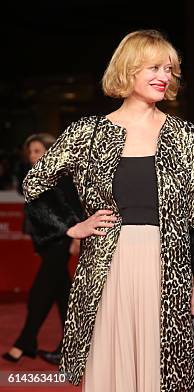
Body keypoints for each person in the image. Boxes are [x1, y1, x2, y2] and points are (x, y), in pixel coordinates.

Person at [22, 30, 194, 391]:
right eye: (154, 67)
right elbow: (35, 184)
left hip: (169, 268)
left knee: (169, 371)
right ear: (128, 70)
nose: (165, 76)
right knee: (113, 367)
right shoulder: (89, 133)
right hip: (107, 267)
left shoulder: (185, 135)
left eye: (170, 68)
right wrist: (71, 226)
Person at [2, 134, 82, 365]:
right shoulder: (33, 177)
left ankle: (25, 342)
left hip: (62, 238)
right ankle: (71, 350)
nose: (32, 156)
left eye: (37, 151)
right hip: (47, 241)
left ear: (49, 150)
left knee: (40, 293)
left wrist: (76, 236)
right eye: (30, 152)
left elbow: (75, 206)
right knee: (62, 295)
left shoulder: (62, 175)